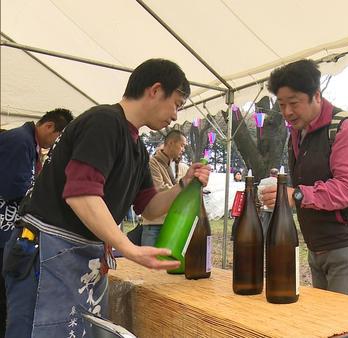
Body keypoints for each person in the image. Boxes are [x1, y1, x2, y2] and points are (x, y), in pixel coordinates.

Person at [2, 58, 211, 337]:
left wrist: (183, 185)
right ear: (155, 90)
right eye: (176, 103)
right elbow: (81, 195)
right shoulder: (103, 122)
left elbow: (149, 207)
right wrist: (129, 247)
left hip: (82, 261)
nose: (175, 115)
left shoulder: (138, 150)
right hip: (47, 252)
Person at [261, 59, 348, 299]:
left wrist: (296, 195)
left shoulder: (346, 128)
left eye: (294, 103)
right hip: (319, 245)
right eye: (281, 104)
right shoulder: (297, 135)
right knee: (327, 324)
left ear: (316, 95)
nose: (287, 112)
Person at [0, 108, 73, 335]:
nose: (54, 144)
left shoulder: (28, 144)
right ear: (49, 126)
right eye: (57, 138)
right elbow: (12, 186)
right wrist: (42, 193)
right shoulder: (20, 141)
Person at [141, 130, 187, 246]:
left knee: (169, 262)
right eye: (182, 145)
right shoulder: (152, 163)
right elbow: (159, 189)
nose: (183, 149)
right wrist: (183, 188)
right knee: (150, 262)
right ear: (171, 143)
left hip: (172, 222)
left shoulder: (178, 165)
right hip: (154, 224)